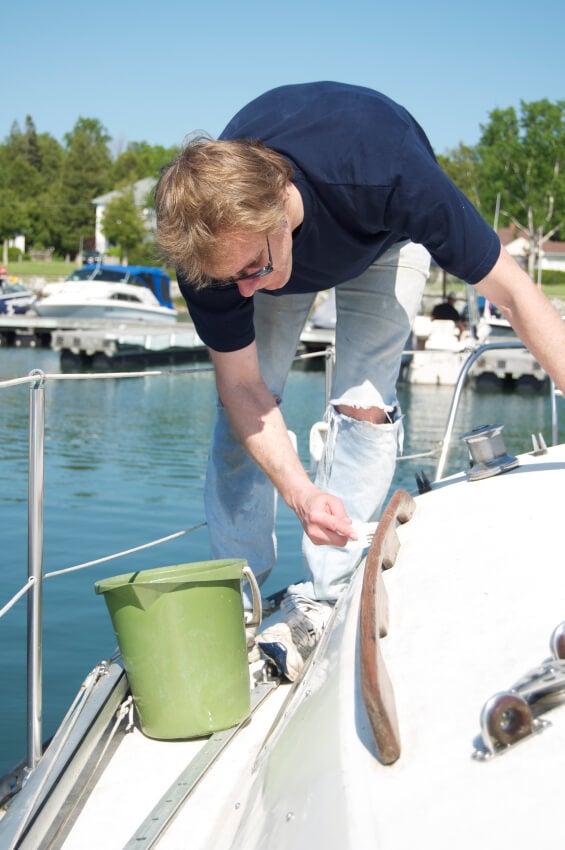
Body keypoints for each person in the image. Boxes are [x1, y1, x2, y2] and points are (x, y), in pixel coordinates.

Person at [155, 82, 565, 680]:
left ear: (279, 206)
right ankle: (236, 595)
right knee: (244, 409)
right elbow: (242, 389)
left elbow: (514, 292)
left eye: (250, 271)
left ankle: (325, 590)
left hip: (381, 236)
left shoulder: (389, 170)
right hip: (273, 243)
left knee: (364, 404)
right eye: (230, 279)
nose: (243, 290)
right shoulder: (213, 252)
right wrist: (299, 492)